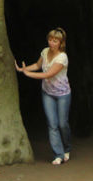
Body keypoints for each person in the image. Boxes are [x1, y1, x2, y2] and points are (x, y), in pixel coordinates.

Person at [15, 27, 71, 165]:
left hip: (63, 94)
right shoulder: (45, 52)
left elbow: (48, 74)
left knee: (62, 124)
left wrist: (28, 75)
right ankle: (58, 154)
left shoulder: (62, 57)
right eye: (50, 39)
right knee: (52, 124)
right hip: (47, 93)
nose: (52, 43)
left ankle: (67, 147)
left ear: (61, 43)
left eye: (55, 41)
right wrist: (23, 69)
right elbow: (37, 65)